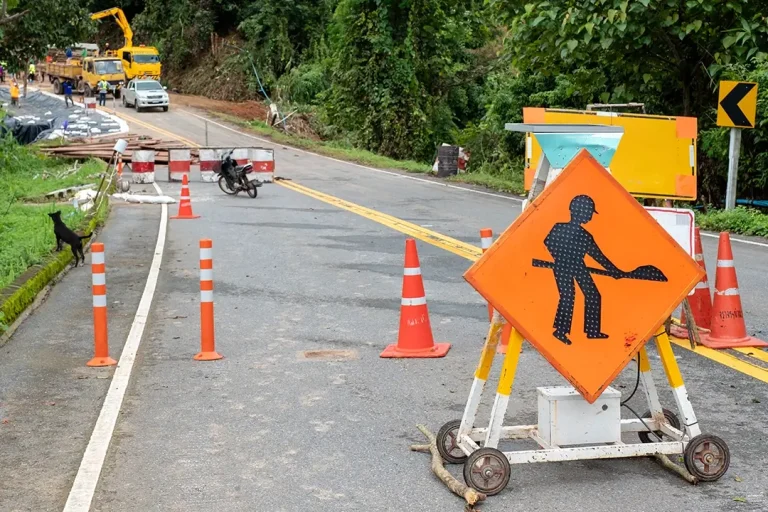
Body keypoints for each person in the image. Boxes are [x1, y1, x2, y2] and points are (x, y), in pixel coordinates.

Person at [543, 195, 625, 345]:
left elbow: (599, 256)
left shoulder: (585, 236)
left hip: (577, 265)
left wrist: (614, 271)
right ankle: (560, 331)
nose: (589, 216)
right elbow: (548, 242)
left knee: (593, 294)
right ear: (581, 212)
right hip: (563, 266)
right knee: (568, 295)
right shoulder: (560, 227)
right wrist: (560, 258)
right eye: (588, 213)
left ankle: (592, 331)